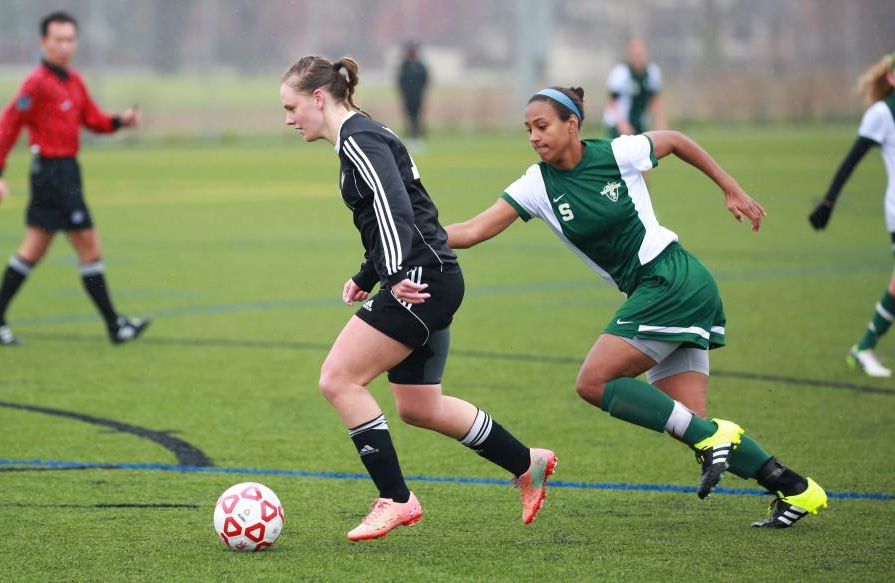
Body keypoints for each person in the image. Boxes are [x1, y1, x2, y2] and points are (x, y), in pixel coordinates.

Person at [444, 86, 828, 528]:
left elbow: (678, 141)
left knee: (594, 382)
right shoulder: (536, 184)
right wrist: (414, 233)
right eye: (527, 128)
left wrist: (731, 188)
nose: (533, 136)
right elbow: (473, 230)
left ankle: (717, 440)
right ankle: (796, 488)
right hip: (661, 290)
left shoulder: (618, 153)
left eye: (542, 126)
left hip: (670, 280)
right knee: (691, 423)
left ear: (573, 124)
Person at [279, 55, 556, 541]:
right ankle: (524, 463)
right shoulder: (363, 134)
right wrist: (369, 273)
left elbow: (395, 206)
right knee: (419, 406)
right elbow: (400, 213)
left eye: (291, 106)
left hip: (421, 279)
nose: (288, 118)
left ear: (318, 98)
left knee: (339, 379)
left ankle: (397, 499)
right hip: (431, 274)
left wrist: (394, 271)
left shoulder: (359, 139)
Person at [0, 11, 150, 346]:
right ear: (43, 42)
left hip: (68, 170)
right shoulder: (36, 83)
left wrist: (121, 121)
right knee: (89, 245)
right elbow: (9, 124)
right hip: (52, 174)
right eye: (58, 39)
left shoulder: (73, 81)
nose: (65, 46)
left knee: (33, 250)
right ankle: (116, 326)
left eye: (70, 39)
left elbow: (94, 120)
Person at [809, 52, 895, 378]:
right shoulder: (882, 114)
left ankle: (864, 347)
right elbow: (851, 161)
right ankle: (864, 347)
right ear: (890, 78)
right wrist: (828, 203)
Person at [603, 38, 666, 137]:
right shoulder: (620, 72)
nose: (637, 56)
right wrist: (622, 124)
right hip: (617, 124)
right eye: (634, 53)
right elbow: (611, 101)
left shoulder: (652, 72)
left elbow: (654, 100)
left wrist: (660, 123)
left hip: (639, 122)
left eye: (640, 53)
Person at [396, 42, 429, 146]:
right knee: (408, 116)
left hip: (418, 96)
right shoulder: (404, 66)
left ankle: (417, 136)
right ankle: (410, 135)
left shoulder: (420, 66)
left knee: (417, 116)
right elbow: (400, 81)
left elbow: (425, 80)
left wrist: (419, 91)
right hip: (407, 96)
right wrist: (405, 92)